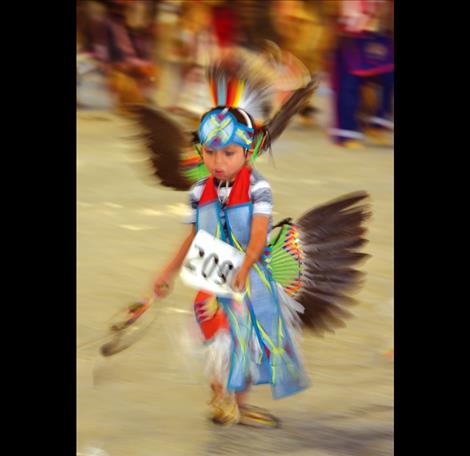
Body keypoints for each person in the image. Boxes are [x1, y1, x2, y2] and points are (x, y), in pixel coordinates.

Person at [131, 49, 370, 428]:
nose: (218, 161)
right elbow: (195, 232)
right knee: (217, 340)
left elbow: (259, 232)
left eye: (228, 153)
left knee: (249, 341)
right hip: (212, 276)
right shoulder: (202, 190)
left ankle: (236, 402)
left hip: (248, 273)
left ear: (247, 152)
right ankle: (220, 396)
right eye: (210, 152)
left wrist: (246, 265)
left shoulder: (257, 188)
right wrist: (167, 271)